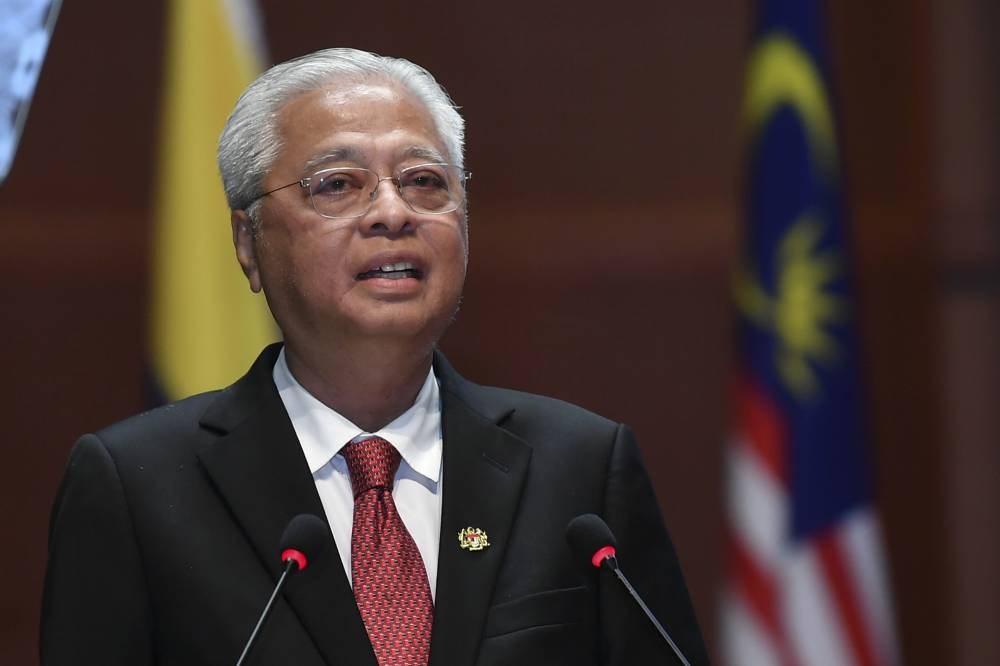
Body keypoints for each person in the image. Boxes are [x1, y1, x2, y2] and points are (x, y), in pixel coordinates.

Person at [40, 48, 709, 666]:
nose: (393, 212)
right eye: (337, 185)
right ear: (248, 243)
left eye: (424, 181)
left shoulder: (581, 470)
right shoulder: (137, 487)